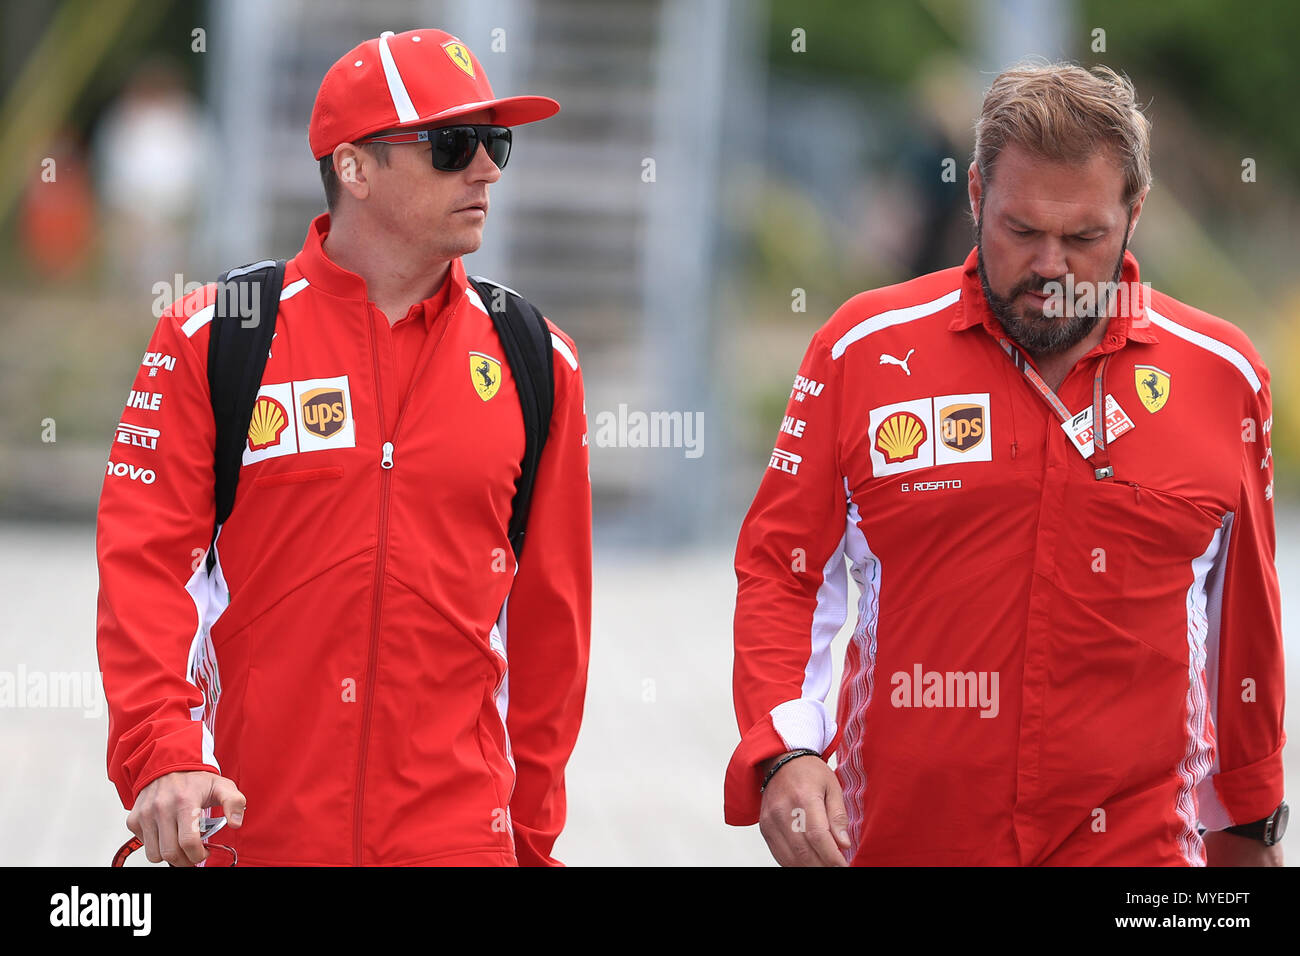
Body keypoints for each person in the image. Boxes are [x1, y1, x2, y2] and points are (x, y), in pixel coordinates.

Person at [725, 63, 1285, 866]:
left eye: (1084, 237)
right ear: (976, 197)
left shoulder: (1221, 375)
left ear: (1135, 213)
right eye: (1022, 231)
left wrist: (1252, 826)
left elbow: (1247, 632)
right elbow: (783, 569)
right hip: (904, 842)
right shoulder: (862, 350)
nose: (1051, 267)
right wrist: (787, 748)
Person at [96, 28, 592, 866]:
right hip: (252, 833)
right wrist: (165, 753)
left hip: (458, 843)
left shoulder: (536, 358)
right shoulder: (215, 335)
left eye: (494, 142)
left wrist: (532, 845)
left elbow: (553, 634)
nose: (488, 170)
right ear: (354, 168)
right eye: (451, 144)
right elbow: (146, 567)